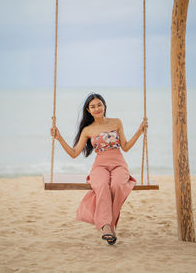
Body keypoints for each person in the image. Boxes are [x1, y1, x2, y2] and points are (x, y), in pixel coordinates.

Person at [50, 93, 148, 245]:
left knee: (117, 185)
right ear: (88, 110)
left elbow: (126, 147)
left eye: (99, 105)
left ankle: (109, 224)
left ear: (104, 106)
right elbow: (74, 153)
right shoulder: (87, 130)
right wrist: (59, 137)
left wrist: (140, 131)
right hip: (100, 165)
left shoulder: (116, 122)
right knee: (102, 185)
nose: (96, 108)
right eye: (93, 106)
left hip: (118, 163)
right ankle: (106, 226)